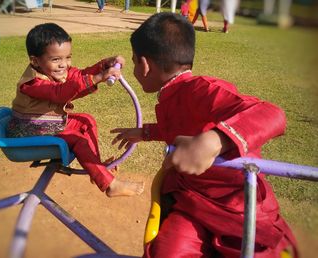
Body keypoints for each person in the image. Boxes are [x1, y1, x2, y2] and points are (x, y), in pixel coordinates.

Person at [111, 13, 298, 258]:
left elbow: (271, 113)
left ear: (144, 65)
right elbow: (178, 130)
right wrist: (145, 132)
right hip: (192, 203)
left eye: (135, 62)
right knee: (167, 252)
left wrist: (213, 141)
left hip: (237, 209)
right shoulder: (171, 94)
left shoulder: (203, 89)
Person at [7, 23, 144, 198]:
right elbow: (59, 93)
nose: (63, 65)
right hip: (29, 130)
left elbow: (79, 76)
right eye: (56, 59)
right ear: (35, 61)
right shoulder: (32, 83)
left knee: (86, 120)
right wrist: (97, 78)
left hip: (45, 125)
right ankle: (110, 185)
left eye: (67, 57)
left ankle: (97, 169)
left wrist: (104, 66)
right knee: (78, 139)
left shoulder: (55, 70)